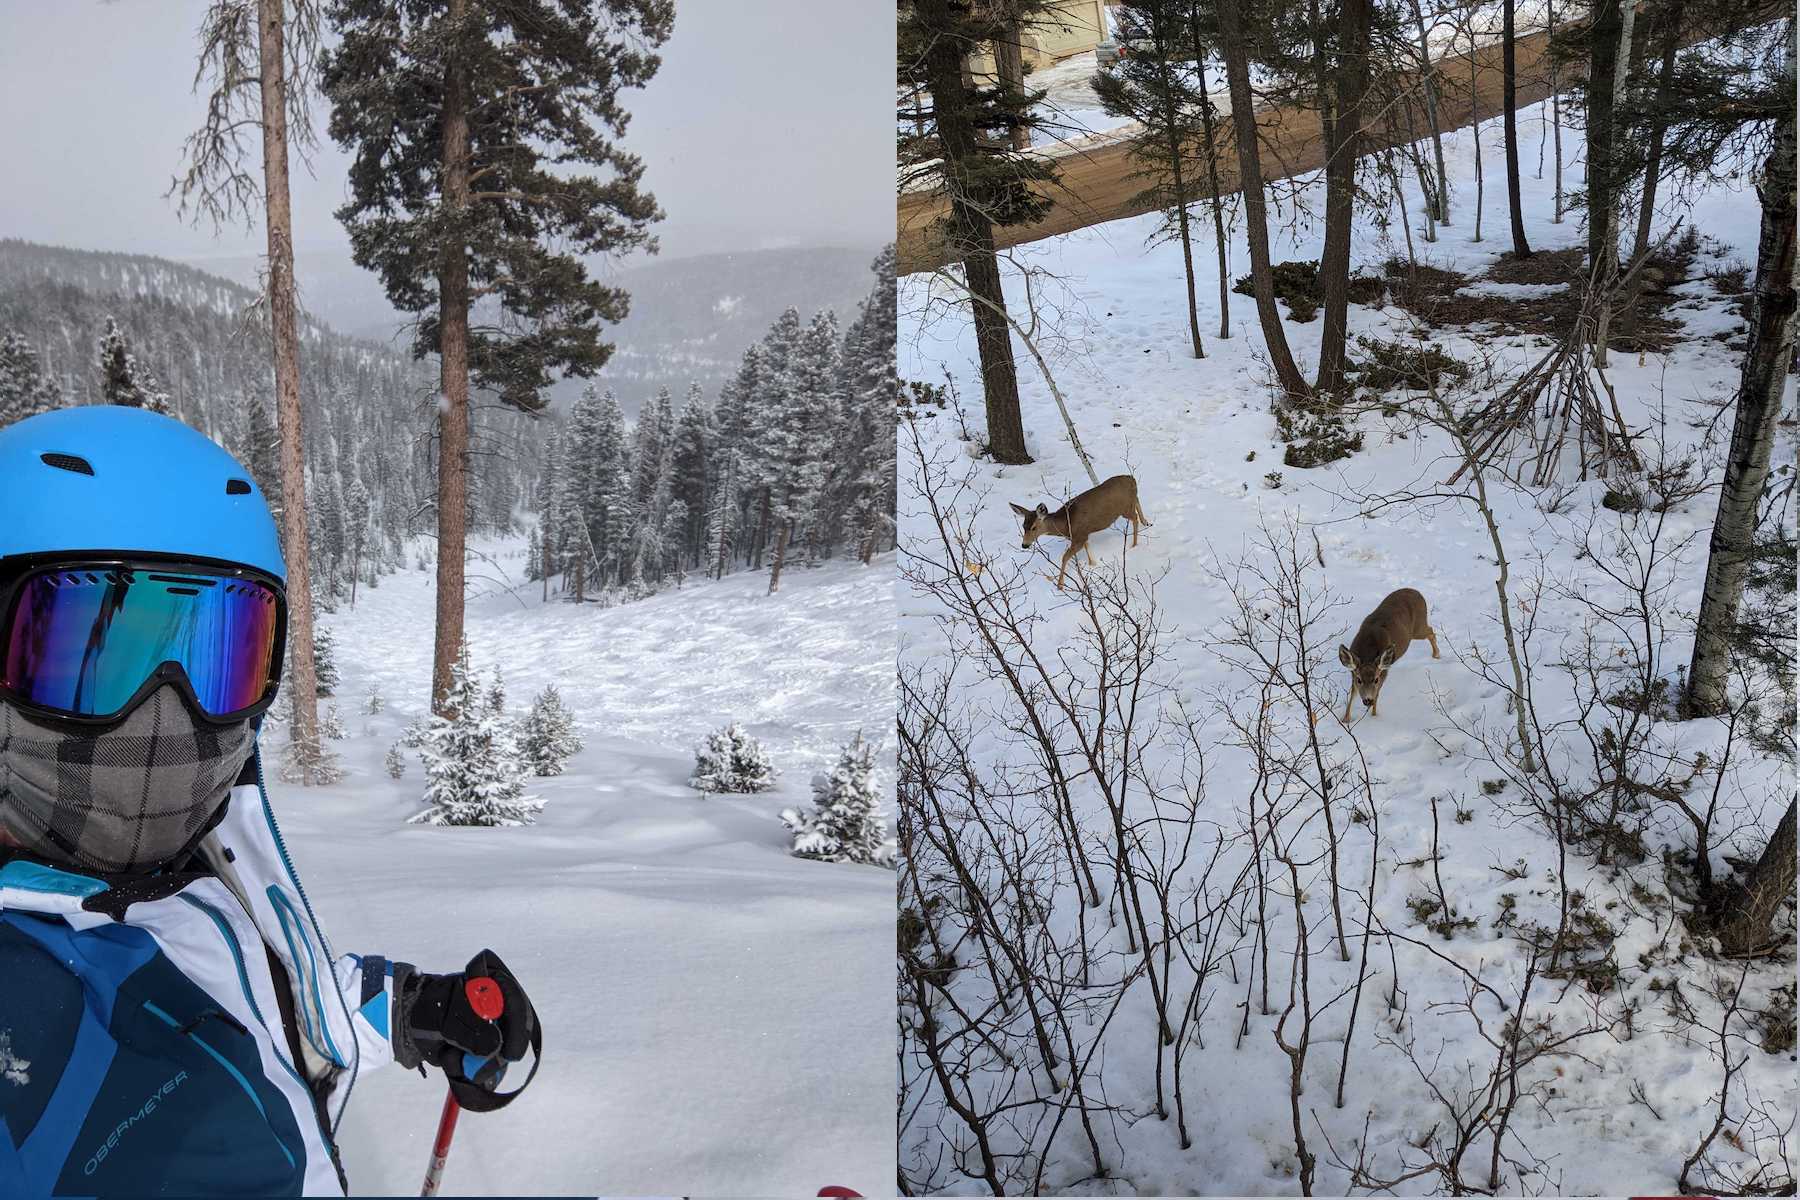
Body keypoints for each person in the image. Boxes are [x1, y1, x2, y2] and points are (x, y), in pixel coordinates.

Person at [0, 407, 539, 1196]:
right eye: (92, 653)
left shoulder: (185, 866)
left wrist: (409, 1010)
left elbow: (256, 991)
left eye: (219, 654)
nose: (166, 714)